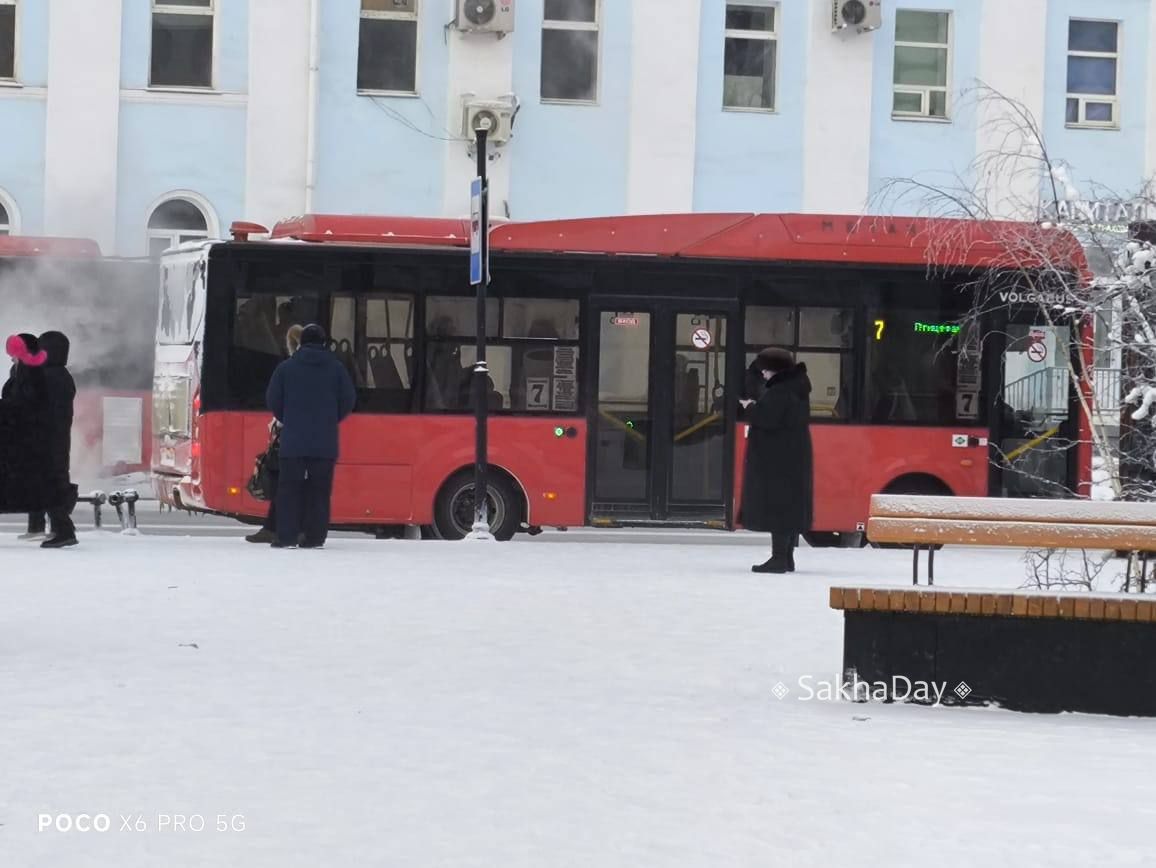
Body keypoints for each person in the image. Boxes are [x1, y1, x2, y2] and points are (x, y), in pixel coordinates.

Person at [265, 324, 355, 549]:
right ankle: (315, 538)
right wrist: (331, 418)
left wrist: (288, 417)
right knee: (320, 492)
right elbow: (349, 400)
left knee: (289, 490)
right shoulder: (336, 368)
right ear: (324, 342)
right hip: (325, 443)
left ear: (301, 342)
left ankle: (287, 537)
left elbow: (273, 399)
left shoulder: (286, 368)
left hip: (293, 443)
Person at [739, 348, 814, 574]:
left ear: (776, 370)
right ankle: (787, 557)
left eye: (765, 369)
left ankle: (779, 559)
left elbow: (767, 418)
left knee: (778, 507)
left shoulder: (781, 391)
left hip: (778, 460)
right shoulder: (797, 387)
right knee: (788, 507)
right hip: (792, 457)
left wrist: (749, 407)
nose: (763, 374)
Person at [246, 324, 303, 544]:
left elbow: (274, 399)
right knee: (292, 483)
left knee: (284, 482)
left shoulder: (289, 368)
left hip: (289, 434)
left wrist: (281, 420)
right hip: (310, 436)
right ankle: (276, 527)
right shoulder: (322, 367)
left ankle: (277, 528)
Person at [36, 331, 79, 548]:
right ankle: (61, 528)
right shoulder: (63, 375)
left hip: (46, 438)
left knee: (49, 483)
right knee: (53, 480)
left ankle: (64, 530)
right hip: (58, 437)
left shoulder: (48, 376)